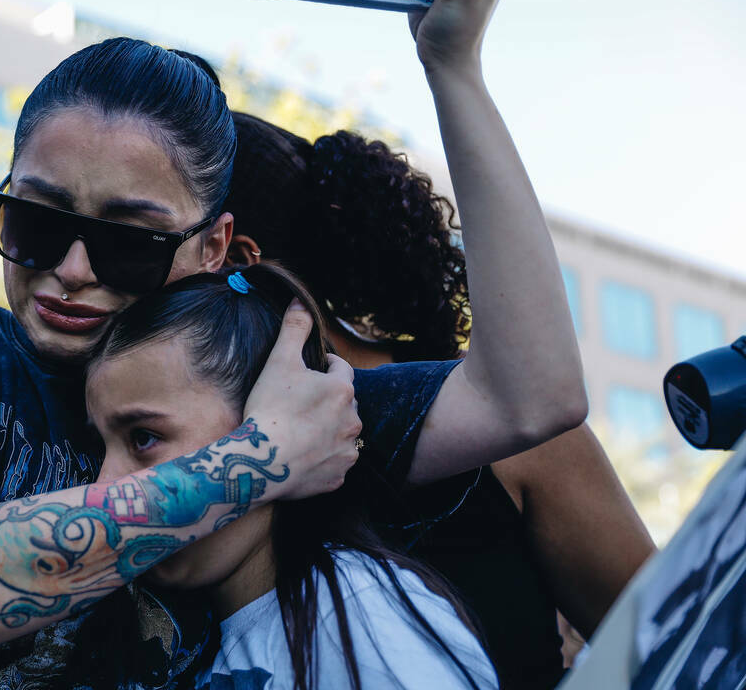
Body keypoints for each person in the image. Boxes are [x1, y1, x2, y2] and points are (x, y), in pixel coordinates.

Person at [0, 0, 587, 686]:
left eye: (128, 241)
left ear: (214, 247)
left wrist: (455, 67)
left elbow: (533, 398)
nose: (74, 269)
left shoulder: (250, 385)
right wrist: (258, 461)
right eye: (37, 223)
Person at [223, 112, 656, 688]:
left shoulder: (514, 436)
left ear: (232, 256)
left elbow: (680, 647)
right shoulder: (200, 444)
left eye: (138, 238)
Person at [85, 263, 499, 690]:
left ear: (277, 421)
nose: (102, 484)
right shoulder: (187, 640)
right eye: (100, 447)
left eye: (144, 437)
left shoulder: (357, 617)